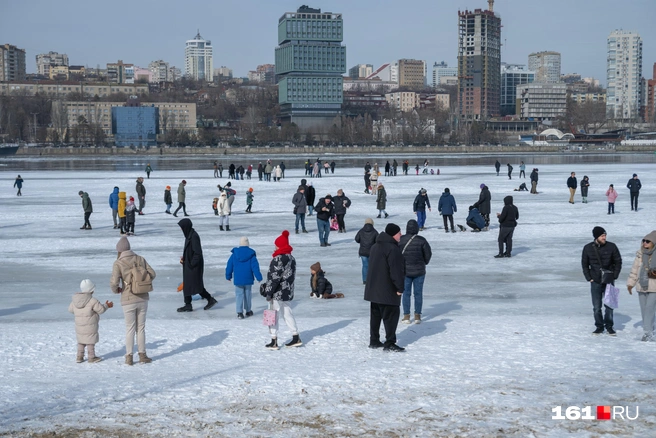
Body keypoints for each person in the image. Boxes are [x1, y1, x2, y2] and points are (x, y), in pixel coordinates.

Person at [110, 236, 157, 365]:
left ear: (119, 250)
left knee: (130, 328)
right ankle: (143, 355)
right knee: (141, 328)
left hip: (128, 298)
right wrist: (143, 282)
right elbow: (152, 273)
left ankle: (129, 357)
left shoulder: (118, 263)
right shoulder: (140, 259)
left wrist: (117, 290)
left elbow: (114, 282)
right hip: (143, 297)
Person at [364, 223, 405, 352]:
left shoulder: (375, 246)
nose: (401, 235)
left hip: (373, 289)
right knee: (391, 316)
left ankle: (374, 340)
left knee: (375, 316)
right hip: (387, 289)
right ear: (393, 234)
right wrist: (399, 288)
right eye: (399, 233)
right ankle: (390, 342)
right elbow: (396, 271)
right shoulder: (393, 249)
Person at [262, 230, 301, 349]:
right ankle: (295, 336)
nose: (275, 247)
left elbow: (274, 278)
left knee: (273, 315)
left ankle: (273, 340)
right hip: (288, 291)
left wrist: (268, 291)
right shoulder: (291, 258)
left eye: (276, 245)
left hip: (277, 293)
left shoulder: (278, 259)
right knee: (287, 313)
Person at [581, 226, 622, 335]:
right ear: (596, 237)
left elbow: (618, 261)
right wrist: (589, 277)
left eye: (605, 235)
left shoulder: (612, 246)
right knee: (596, 307)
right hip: (595, 280)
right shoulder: (588, 248)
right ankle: (599, 326)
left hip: (609, 279)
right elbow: (585, 264)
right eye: (602, 236)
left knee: (610, 305)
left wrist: (615, 275)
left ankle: (609, 326)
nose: (604, 237)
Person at [176, 218, 217, 312]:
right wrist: (185, 258)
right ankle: (188, 304)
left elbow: (198, 253)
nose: (181, 229)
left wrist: (191, 263)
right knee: (188, 284)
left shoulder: (194, 236)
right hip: (189, 265)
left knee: (196, 285)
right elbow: (191, 252)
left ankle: (210, 299)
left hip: (194, 266)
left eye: (182, 227)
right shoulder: (189, 235)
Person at [69, 279, 113, 363]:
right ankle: (91, 357)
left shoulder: (75, 300)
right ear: (91, 290)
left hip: (79, 326)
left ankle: (79, 357)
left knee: (81, 341)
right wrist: (106, 305)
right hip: (90, 326)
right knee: (90, 341)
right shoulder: (93, 301)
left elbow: (70, 310)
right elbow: (101, 310)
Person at [399, 220, 432, 324]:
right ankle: (417, 316)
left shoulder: (401, 240)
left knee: (406, 294)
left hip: (405, 271)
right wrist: (424, 263)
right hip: (419, 271)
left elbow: (396, 254)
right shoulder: (422, 240)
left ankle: (406, 316)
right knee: (418, 293)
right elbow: (428, 254)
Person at [627, 231, 656, 341]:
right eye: (643, 241)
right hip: (641, 285)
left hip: (654, 286)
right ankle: (649, 328)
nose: (645, 243)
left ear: (653, 242)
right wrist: (630, 284)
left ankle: (647, 333)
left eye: (647, 241)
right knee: (644, 310)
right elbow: (634, 270)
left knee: (649, 309)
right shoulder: (640, 254)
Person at [226, 236, 263, 319]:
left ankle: (239, 312)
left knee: (239, 295)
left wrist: (228, 275)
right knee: (247, 295)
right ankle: (248, 310)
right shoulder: (251, 255)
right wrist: (259, 277)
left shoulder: (234, 255)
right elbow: (255, 267)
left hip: (238, 279)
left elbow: (229, 266)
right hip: (248, 279)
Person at [355, 218, 379, 284]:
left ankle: (365, 280)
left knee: (365, 265)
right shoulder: (374, 231)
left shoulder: (361, 231)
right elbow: (378, 240)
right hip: (372, 251)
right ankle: (371, 279)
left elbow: (357, 239)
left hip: (363, 251)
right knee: (371, 266)